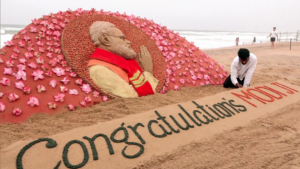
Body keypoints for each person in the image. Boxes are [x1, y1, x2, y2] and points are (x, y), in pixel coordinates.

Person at [88, 21, 159, 98]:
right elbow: (134, 98)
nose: (129, 42)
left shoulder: (125, 64)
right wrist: (148, 72)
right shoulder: (99, 70)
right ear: (105, 39)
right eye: (122, 38)